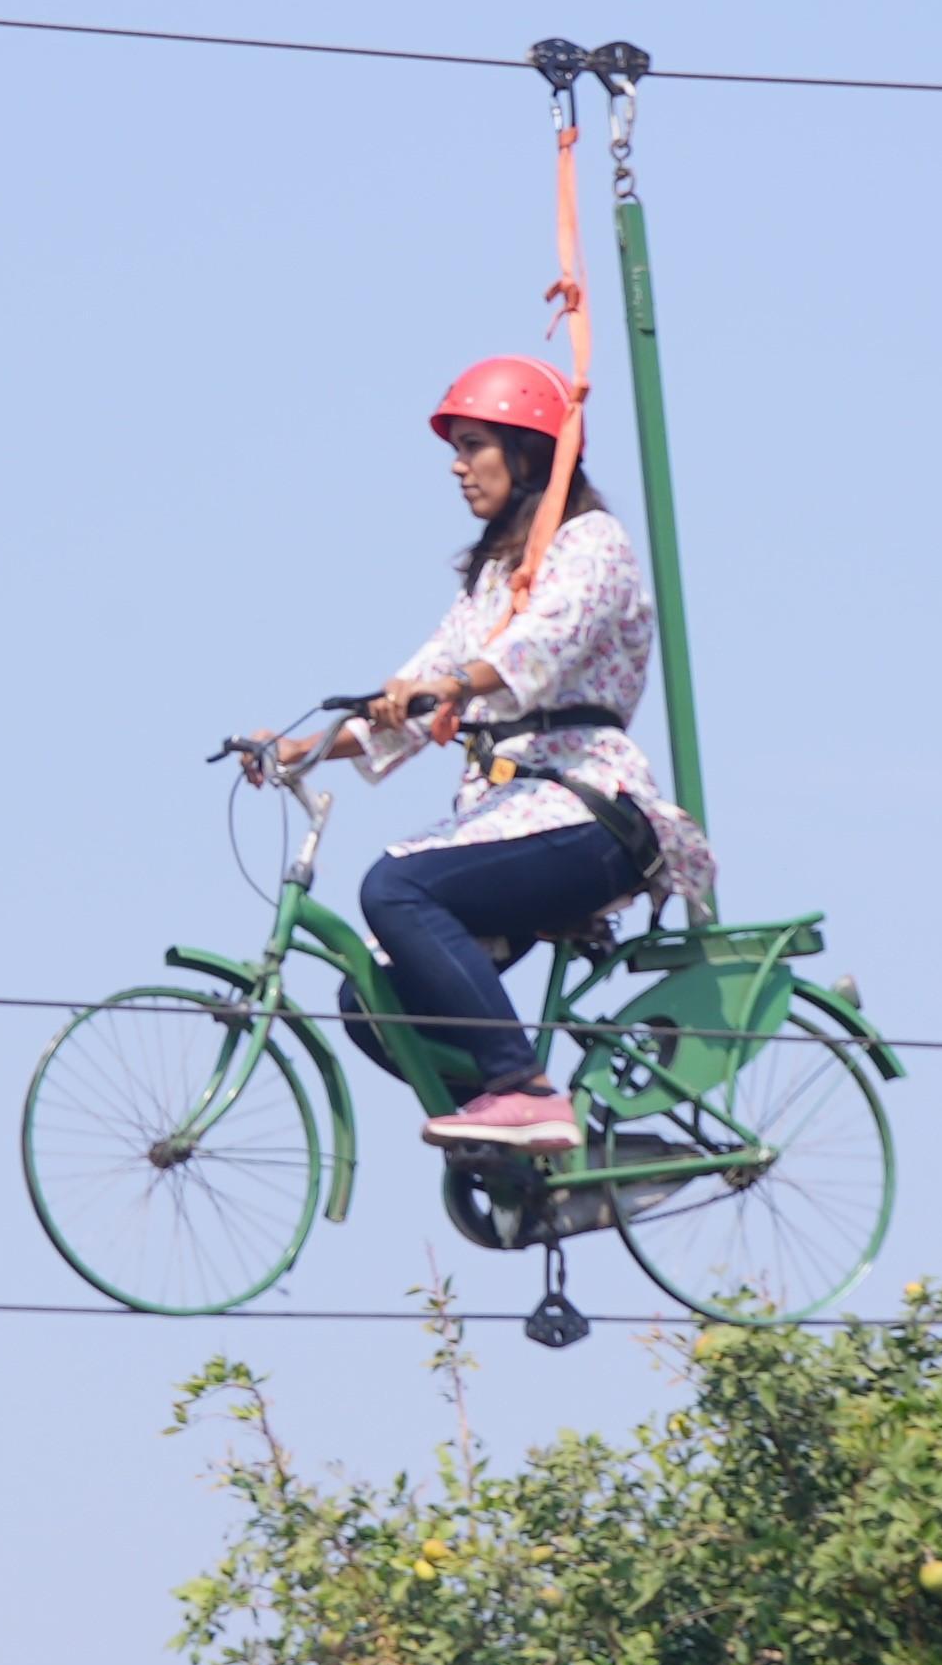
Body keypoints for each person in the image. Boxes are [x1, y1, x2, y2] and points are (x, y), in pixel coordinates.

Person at [256, 357, 715, 1155]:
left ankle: (525, 1092)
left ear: (529, 455)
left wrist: (452, 684)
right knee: (376, 1001)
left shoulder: (591, 545)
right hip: (513, 813)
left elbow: (538, 648)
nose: (457, 466)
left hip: (588, 810)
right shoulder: (496, 578)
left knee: (394, 886)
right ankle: (531, 1160)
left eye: (474, 446)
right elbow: (419, 689)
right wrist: (302, 747)